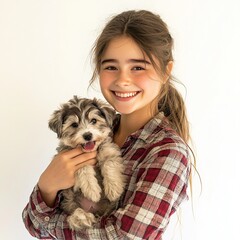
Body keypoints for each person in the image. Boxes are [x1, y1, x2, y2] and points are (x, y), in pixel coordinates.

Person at [22, 9, 194, 239]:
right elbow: (31, 224)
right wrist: (48, 185)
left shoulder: (168, 152)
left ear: (165, 71)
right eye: (111, 66)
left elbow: (123, 236)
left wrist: (49, 218)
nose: (123, 80)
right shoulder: (95, 132)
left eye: (138, 67)